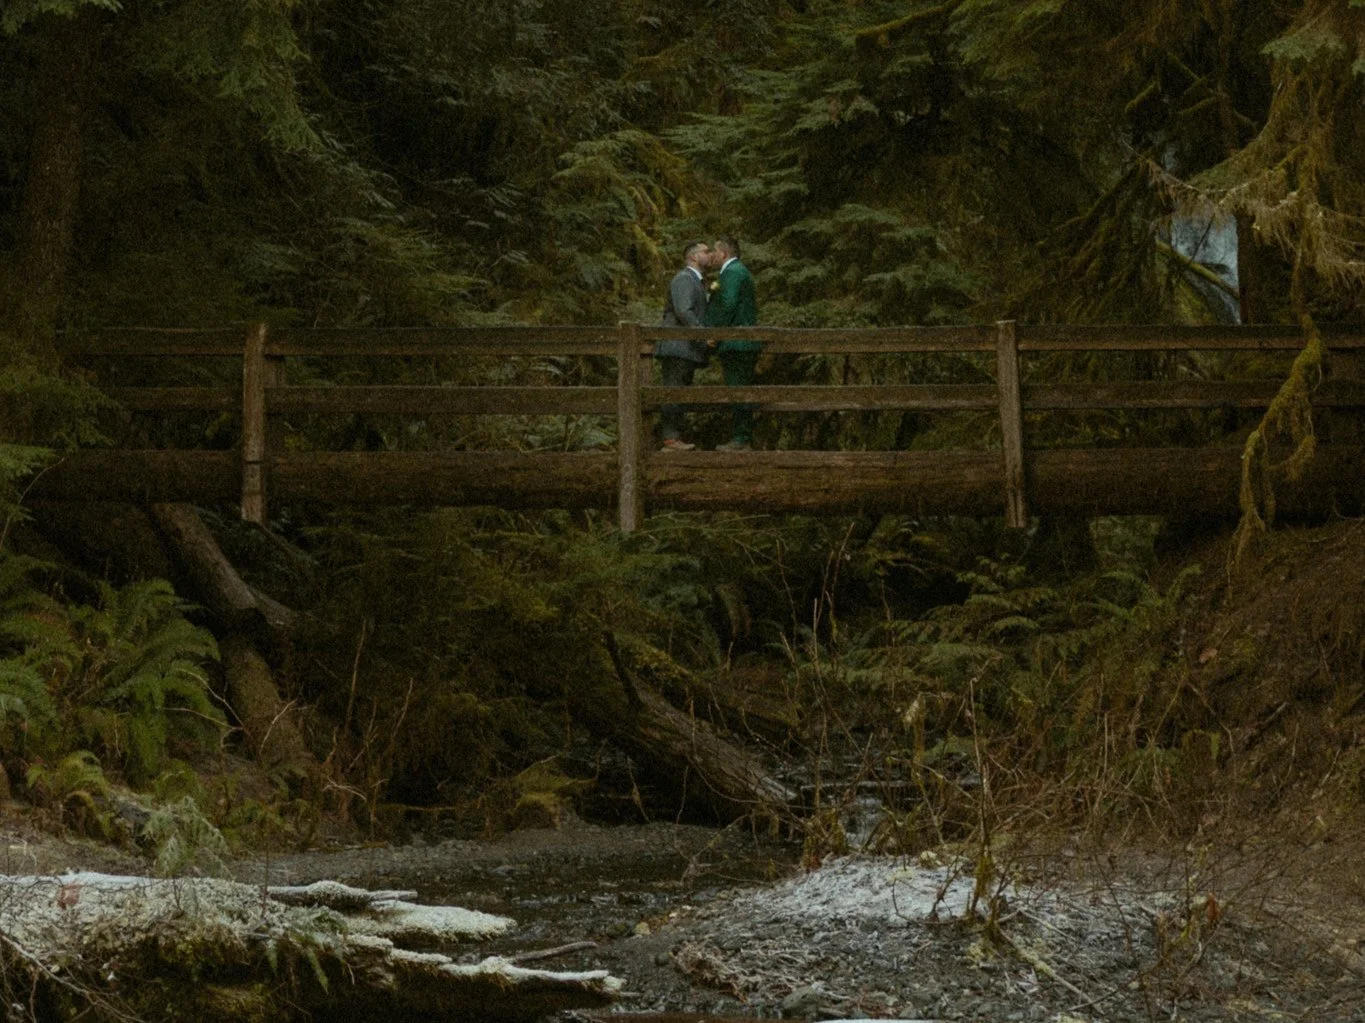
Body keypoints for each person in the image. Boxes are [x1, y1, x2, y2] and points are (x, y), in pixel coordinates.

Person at [654, 240, 712, 451]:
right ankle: (670, 438)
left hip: (685, 348)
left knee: (680, 391)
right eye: (706, 251)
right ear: (694, 257)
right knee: (673, 390)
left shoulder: (697, 281)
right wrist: (703, 335)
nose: (710, 254)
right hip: (677, 346)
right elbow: (683, 311)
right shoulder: (684, 279)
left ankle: (674, 437)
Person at [704, 235, 759, 451]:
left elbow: (728, 304)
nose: (711, 256)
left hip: (738, 343)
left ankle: (741, 438)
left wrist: (715, 334)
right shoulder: (730, 273)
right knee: (737, 388)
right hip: (736, 343)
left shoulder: (733, 272)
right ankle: (740, 437)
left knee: (739, 389)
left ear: (724, 253)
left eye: (714, 252)